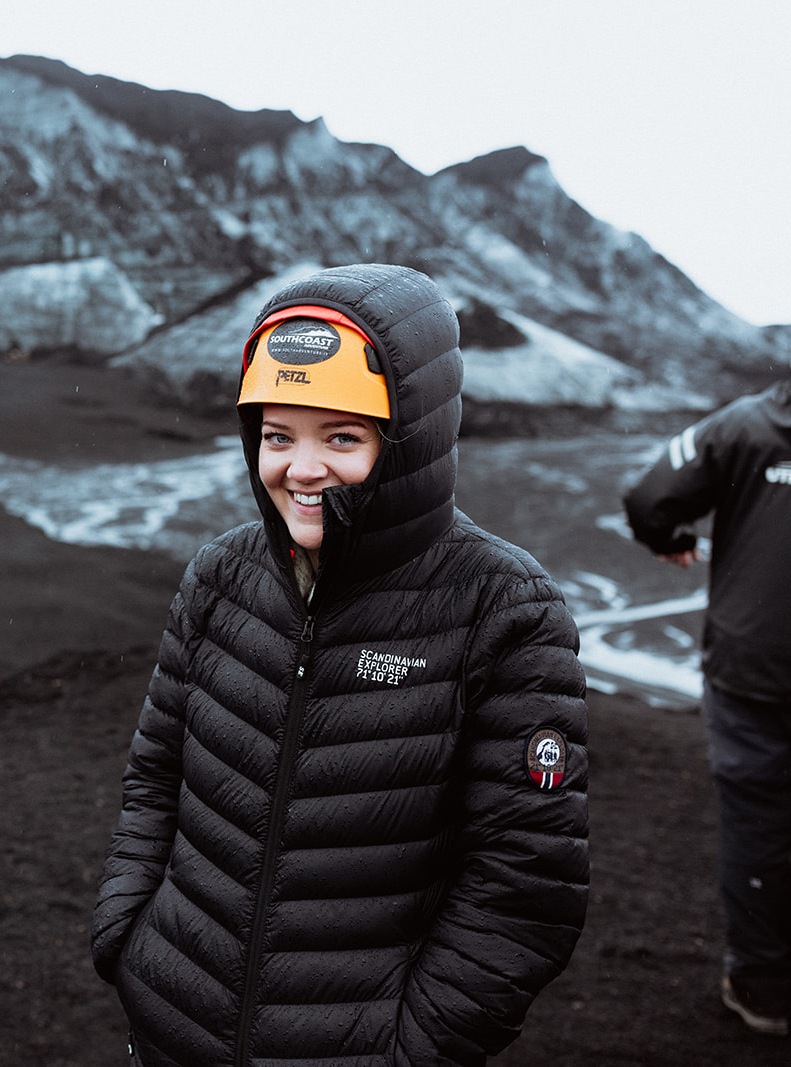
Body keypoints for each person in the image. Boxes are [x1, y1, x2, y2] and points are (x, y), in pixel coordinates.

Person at [91, 263, 589, 1066]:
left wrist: (410, 1049)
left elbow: (525, 885)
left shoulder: (506, 610)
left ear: (411, 439)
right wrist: (129, 938)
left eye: (343, 437)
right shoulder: (219, 577)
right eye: (278, 435)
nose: (302, 469)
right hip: (169, 1029)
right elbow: (155, 774)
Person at [623, 378, 791, 1037]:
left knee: (759, 825)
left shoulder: (745, 425)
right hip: (754, 668)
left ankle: (765, 988)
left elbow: (647, 495)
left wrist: (663, 534)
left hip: (754, 665)